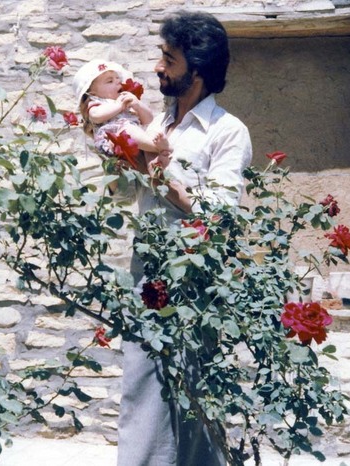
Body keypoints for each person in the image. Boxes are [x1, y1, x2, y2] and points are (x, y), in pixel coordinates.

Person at [115, 11, 253, 466]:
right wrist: (119, 155)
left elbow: (219, 215)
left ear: (197, 70)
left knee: (192, 401)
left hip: (193, 282)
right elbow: (125, 194)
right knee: (142, 393)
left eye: (169, 59)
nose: (158, 67)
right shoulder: (156, 125)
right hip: (147, 276)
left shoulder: (227, 131)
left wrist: (163, 178)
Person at [72, 59, 172, 166]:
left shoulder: (124, 101)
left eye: (117, 78)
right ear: (93, 93)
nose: (117, 82)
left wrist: (138, 106)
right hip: (116, 138)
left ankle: (158, 152)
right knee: (127, 131)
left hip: (138, 141)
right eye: (110, 81)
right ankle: (158, 147)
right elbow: (96, 116)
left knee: (151, 128)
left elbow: (149, 120)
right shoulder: (97, 103)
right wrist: (119, 106)